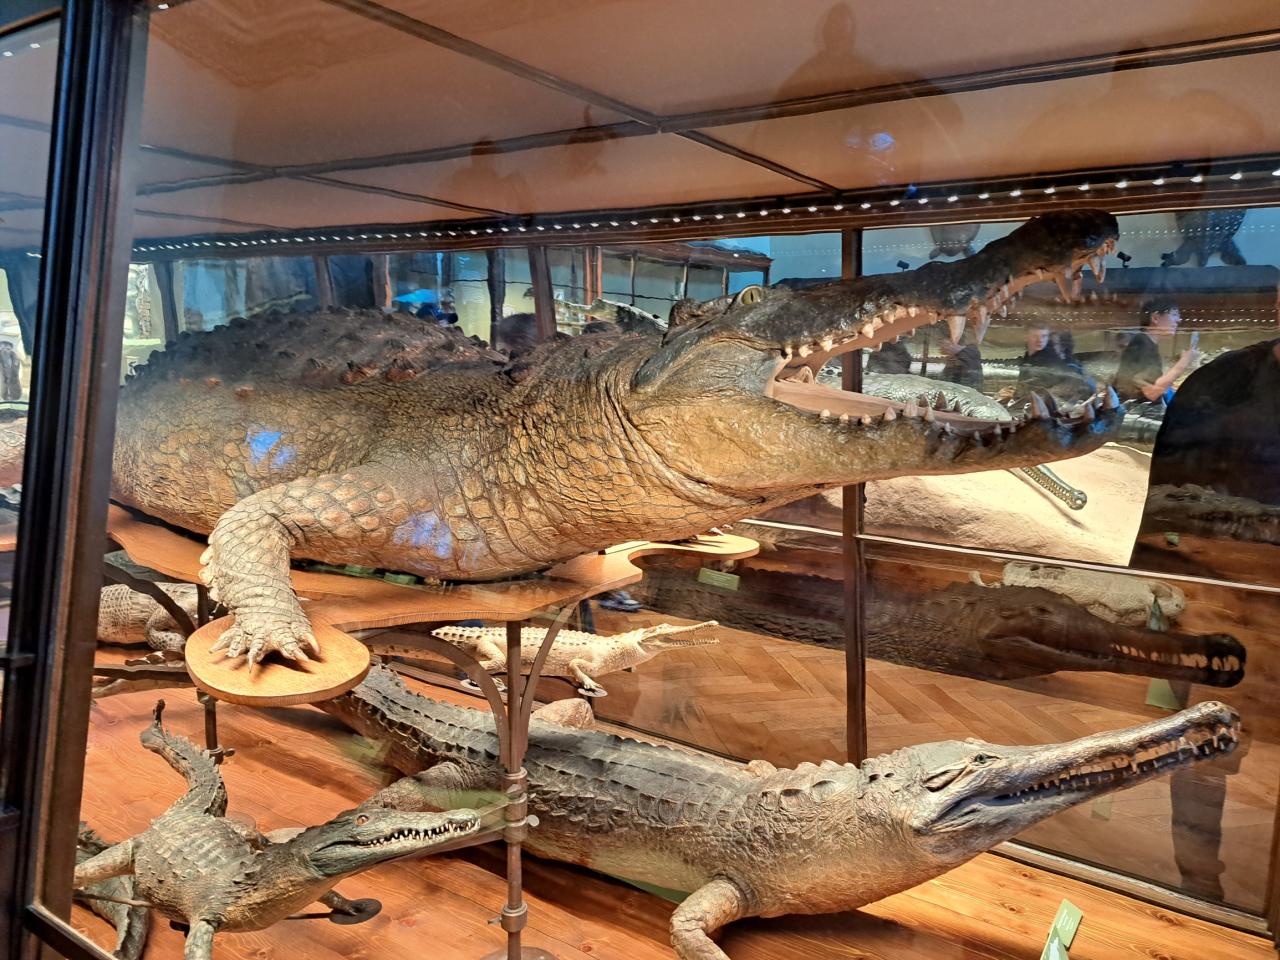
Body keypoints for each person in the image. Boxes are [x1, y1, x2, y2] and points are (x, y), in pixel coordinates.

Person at [1113, 297, 1199, 403]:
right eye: (1174, 314)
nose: (1178, 320)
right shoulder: (1142, 344)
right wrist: (1184, 362)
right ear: (1155, 318)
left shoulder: (1146, 343)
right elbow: (1151, 393)